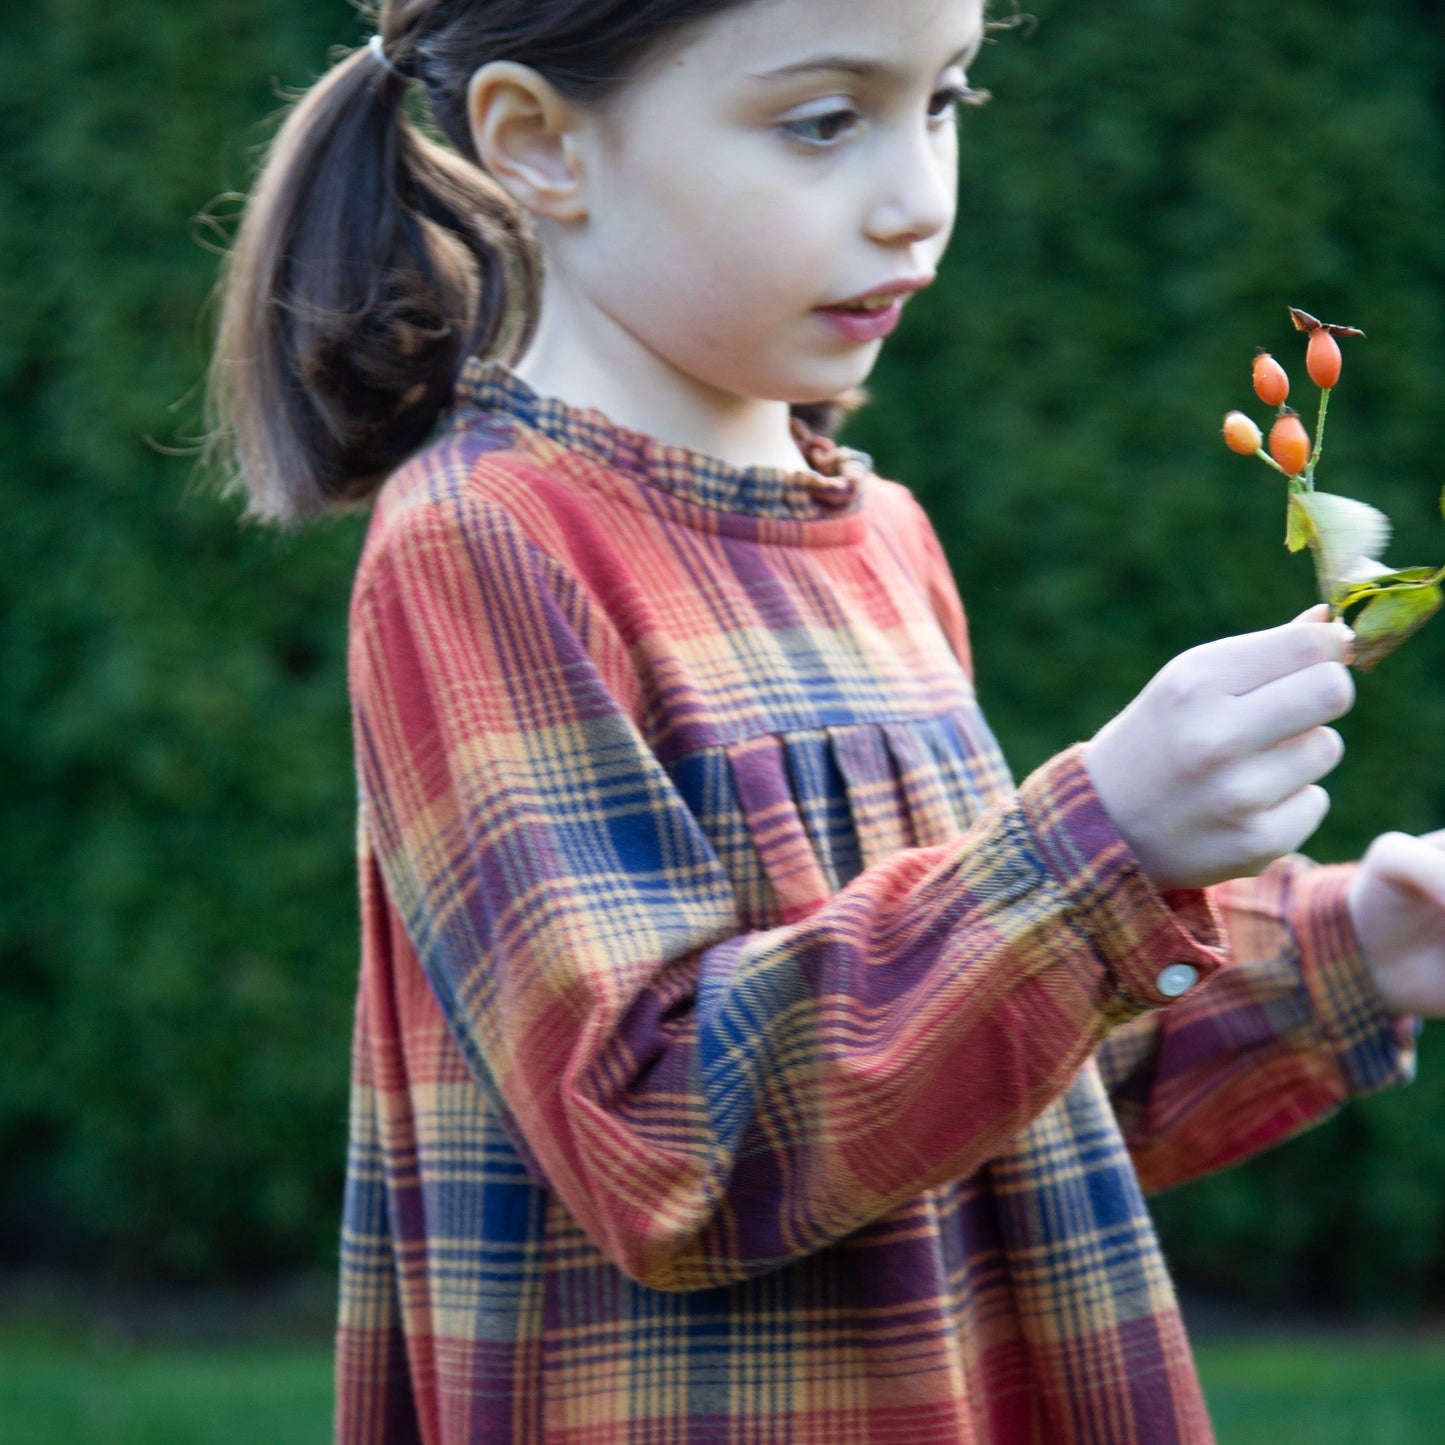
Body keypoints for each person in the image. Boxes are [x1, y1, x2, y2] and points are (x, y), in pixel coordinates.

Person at [206, 0, 1445, 1439]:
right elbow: (662, 1141)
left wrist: (1349, 944)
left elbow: (996, 1078)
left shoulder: (881, 537)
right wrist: (1097, 843)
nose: (917, 199)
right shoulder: (488, 543)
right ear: (540, 144)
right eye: (821, 120)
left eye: (945, 102)